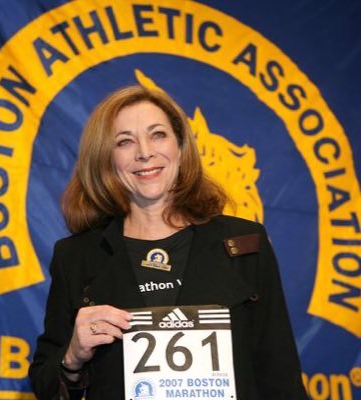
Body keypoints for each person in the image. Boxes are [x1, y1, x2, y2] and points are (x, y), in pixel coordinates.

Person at [29, 85, 308, 399]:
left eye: (158, 134)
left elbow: (280, 377)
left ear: (180, 145)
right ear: (106, 159)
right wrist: (73, 355)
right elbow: (44, 385)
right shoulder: (75, 257)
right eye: (124, 141)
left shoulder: (244, 243)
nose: (145, 152)